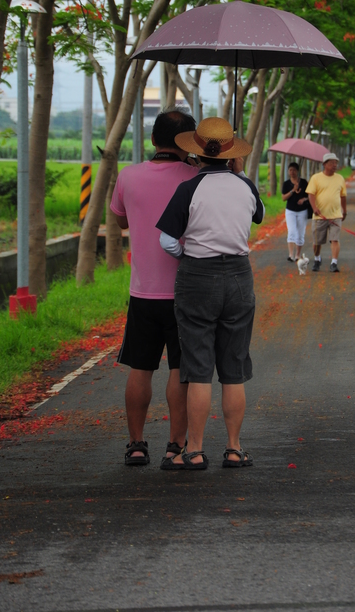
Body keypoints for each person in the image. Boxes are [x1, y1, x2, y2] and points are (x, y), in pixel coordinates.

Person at [157, 117, 264, 471]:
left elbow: (167, 240)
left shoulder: (188, 188)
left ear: (197, 151)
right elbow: (258, 216)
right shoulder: (246, 186)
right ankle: (234, 449)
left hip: (197, 278)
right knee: (233, 366)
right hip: (238, 277)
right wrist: (239, 173)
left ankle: (196, 450)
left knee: (198, 367)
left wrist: (189, 257)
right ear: (231, 153)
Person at [110, 108, 199, 468]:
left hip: (142, 292)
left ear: (152, 140)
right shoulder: (196, 178)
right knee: (179, 370)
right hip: (186, 291)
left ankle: (135, 445)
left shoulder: (128, 176)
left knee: (140, 367)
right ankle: (175, 446)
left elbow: (119, 220)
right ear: (188, 141)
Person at [306, 152, 347, 273]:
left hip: (335, 215)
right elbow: (311, 194)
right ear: (324, 164)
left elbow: (343, 196)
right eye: (331, 163)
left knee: (335, 239)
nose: (334, 165)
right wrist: (314, 208)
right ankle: (317, 258)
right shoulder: (316, 178)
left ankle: (334, 263)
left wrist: (344, 210)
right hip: (320, 216)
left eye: (336, 163)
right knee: (317, 242)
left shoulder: (340, 178)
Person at [281, 162, 310, 261]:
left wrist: (304, 199)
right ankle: (291, 255)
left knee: (301, 233)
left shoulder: (304, 182)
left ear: (297, 171)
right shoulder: (286, 184)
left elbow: (309, 196)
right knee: (291, 231)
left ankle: (298, 254)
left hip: (302, 211)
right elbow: (283, 198)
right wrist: (293, 190)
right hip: (290, 211)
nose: (292, 172)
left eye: (294, 170)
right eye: (290, 170)